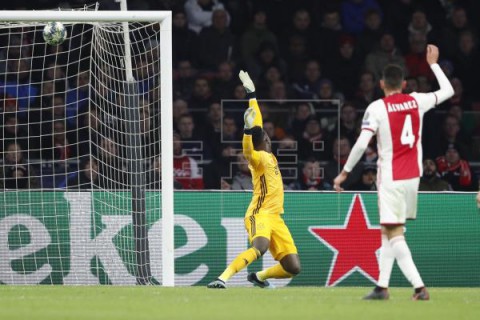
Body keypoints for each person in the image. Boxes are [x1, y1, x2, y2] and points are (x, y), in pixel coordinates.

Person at [333, 44, 454, 301]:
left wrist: (344, 172)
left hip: (391, 176)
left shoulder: (376, 108)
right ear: (404, 83)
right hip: (413, 177)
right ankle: (382, 286)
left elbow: (361, 143)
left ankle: (420, 288)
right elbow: (449, 91)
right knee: (388, 230)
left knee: (394, 232)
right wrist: (433, 63)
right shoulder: (416, 100)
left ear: (381, 83)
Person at [207, 70, 300, 289]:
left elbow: (255, 120)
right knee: (260, 247)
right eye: (266, 134)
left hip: (276, 217)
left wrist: (252, 94)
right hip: (259, 213)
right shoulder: (257, 158)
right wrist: (248, 132)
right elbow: (248, 149)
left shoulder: (269, 156)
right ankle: (223, 278)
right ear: (265, 140)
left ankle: (259, 277)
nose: (268, 134)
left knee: (293, 267)